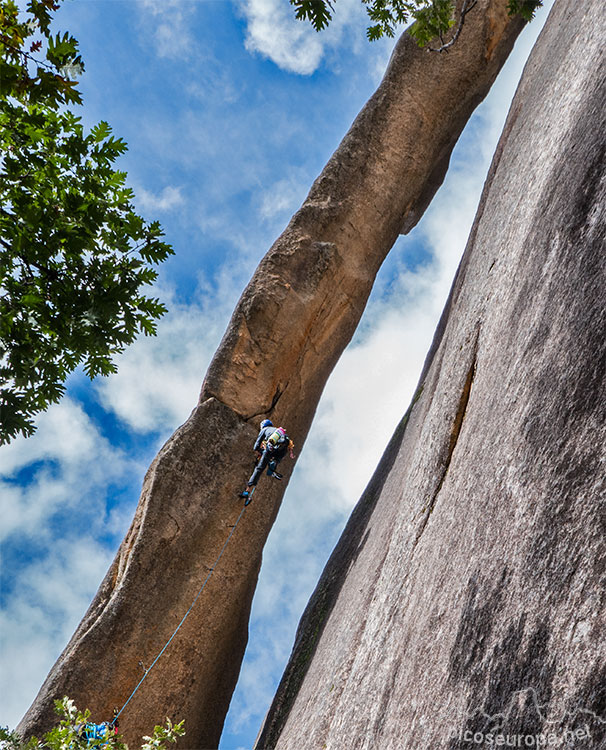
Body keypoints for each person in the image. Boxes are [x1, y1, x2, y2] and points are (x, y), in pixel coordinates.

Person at [239, 419, 294, 499]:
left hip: (272, 446)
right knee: (274, 458)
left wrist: (261, 452)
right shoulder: (277, 431)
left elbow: (256, 447)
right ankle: (273, 463)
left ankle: (247, 491)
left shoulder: (265, 430)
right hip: (284, 446)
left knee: (259, 469)